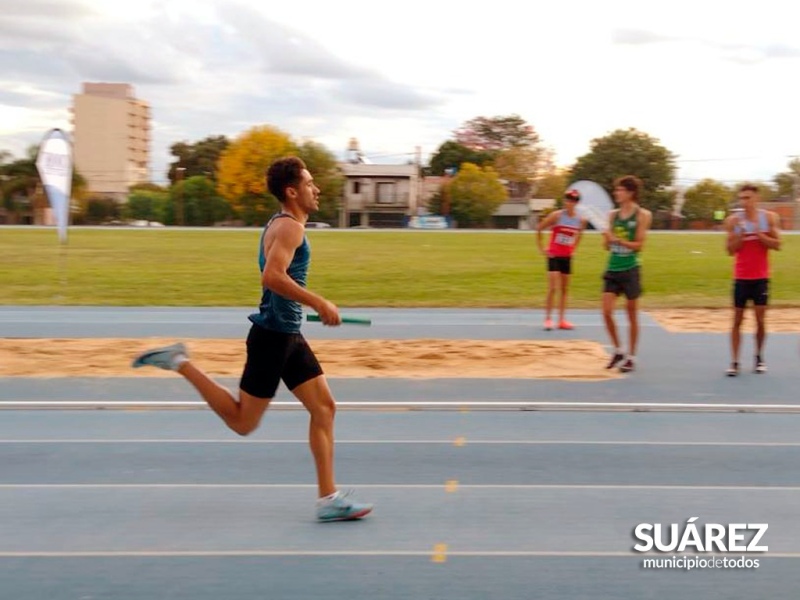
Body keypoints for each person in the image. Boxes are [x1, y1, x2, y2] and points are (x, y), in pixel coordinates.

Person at [131, 156, 373, 522]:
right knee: (243, 422)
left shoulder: (285, 224)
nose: (316, 188)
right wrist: (318, 302)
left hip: (288, 334)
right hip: (272, 337)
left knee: (324, 408)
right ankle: (180, 361)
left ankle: (328, 498)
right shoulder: (290, 228)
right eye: (309, 183)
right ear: (292, 191)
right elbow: (272, 277)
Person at [723, 184, 781, 377]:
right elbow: (730, 250)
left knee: (760, 320)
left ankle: (758, 356)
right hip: (741, 277)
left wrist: (759, 234)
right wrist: (740, 235)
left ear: (756, 198)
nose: (744, 202)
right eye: (742, 198)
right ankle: (734, 361)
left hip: (761, 278)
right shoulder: (733, 221)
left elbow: (777, 245)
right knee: (737, 320)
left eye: (748, 198)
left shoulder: (768, 218)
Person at [601, 175, 652, 373]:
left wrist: (619, 241)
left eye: (620, 190)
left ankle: (631, 356)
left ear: (630, 193)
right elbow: (606, 246)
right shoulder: (612, 215)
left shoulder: (642, 215)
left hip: (631, 269)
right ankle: (618, 349)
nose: (616, 193)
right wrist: (606, 239)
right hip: (613, 268)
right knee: (606, 312)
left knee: (631, 314)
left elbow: (639, 245)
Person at [536, 189, 587, 330]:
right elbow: (539, 228)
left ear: (576, 203)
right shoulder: (556, 216)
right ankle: (547, 319)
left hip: (567, 257)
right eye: (567, 200)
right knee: (553, 288)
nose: (569, 203)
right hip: (554, 255)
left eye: (572, 200)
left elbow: (580, 234)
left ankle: (562, 320)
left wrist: (574, 249)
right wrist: (542, 249)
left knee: (565, 289)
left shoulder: (580, 220)